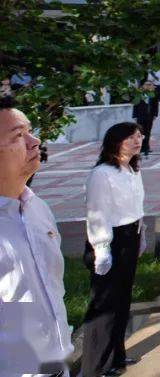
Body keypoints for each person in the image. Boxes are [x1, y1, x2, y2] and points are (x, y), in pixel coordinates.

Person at [0, 99, 73, 376]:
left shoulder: (37, 209)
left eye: (30, 131)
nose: (34, 141)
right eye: (18, 136)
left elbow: (53, 289)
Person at [83, 122, 145, 377]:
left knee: (122, 301)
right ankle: (97, 366)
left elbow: (138, 204)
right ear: (115, 141)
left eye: (139, 136)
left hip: (130, 236)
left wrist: (142, 233)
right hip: (111, 241)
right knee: (104, 305)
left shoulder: (131, 170)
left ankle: (116, 356)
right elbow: (98, 212)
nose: (137, 140)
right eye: (130, 137)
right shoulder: (102, 173)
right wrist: (102, 248)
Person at [132, 79, 159, 155]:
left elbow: (156, 105)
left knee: (148, 132)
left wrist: (155, 114)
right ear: (143, 86)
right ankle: (140, 148)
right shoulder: (139, 94)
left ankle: (146, 147)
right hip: (140, 116)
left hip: (149, 116)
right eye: (146, 84)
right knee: (140, 133)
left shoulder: (153, 94)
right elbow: (135, 105)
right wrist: (134, 115)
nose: (148, 86)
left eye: (149, 85)